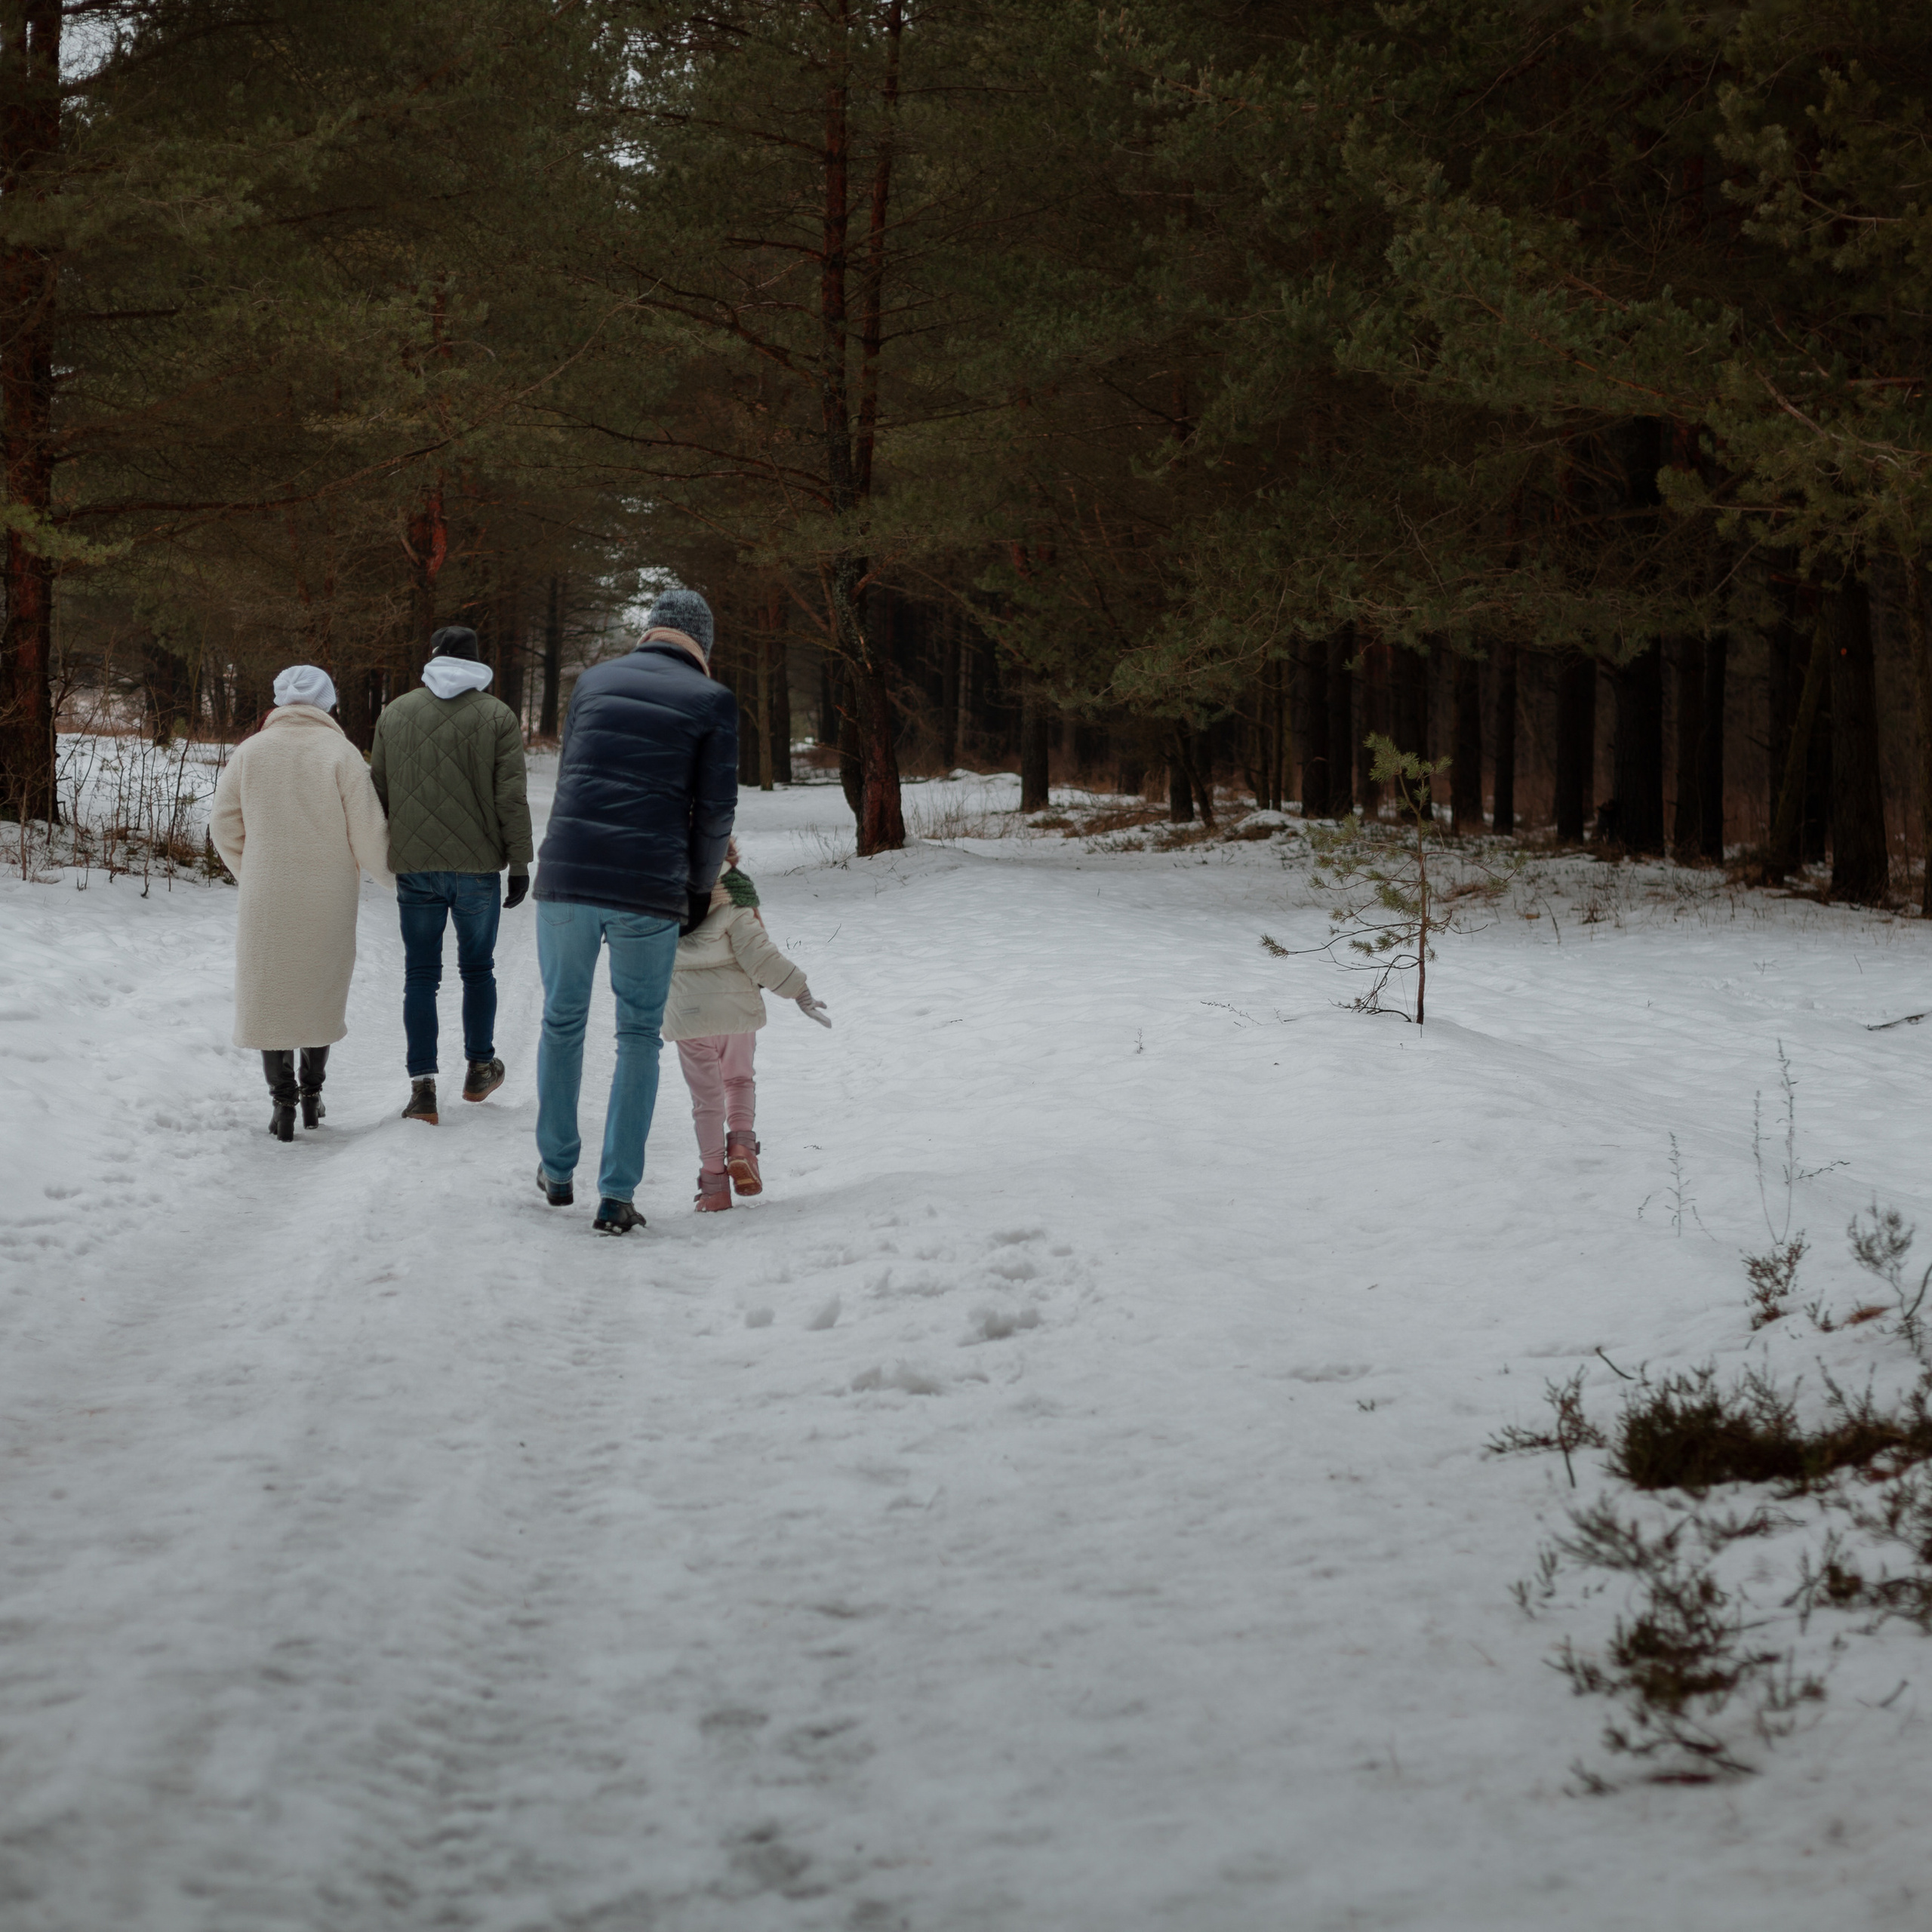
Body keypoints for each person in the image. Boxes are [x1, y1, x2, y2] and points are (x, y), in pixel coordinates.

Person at [532, 587, 738, 1235]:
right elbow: (715, 813)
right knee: (639, 1036)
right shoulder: (713, 700)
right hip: (648, 886)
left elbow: (572, 777)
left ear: (651, 631)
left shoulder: (593, 682)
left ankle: (556, 1169)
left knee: (561, 1019)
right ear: (701, 644)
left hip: (568, 875)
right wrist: (698, 889)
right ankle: (616, 1194)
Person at [208, 664, 393, 1141]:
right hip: (327, 894)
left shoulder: (251, 751)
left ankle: (282, 1103)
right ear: (327, 702)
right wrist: (397, 881)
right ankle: (312, 1095)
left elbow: (223, 826)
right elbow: (369, 833)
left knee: (271, 994)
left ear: (280, 701)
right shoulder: (341, 753)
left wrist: (252, 872)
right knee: (318, 990)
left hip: (267, 894)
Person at [369, 625, 534, 1124]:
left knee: (420, 974)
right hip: (477, 869)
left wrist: (386, 853)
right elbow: (510, 797)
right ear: (476, 662)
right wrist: (520, 862)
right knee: (477, 969)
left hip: (416, 867)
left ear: (433, 658)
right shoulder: (498, 716)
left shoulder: (395, 713)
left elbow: (378, 792)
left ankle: (422, 1090)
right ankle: (480, 1067)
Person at [665, 841, 832, 1212]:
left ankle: (713, 1187)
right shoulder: (733, 891)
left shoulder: (656, 892)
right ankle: (742, 1147)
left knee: (705, 1101)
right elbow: (759, 954)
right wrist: (799, 991)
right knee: (739, 1080)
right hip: (736, 1010)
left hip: (688, 1013)